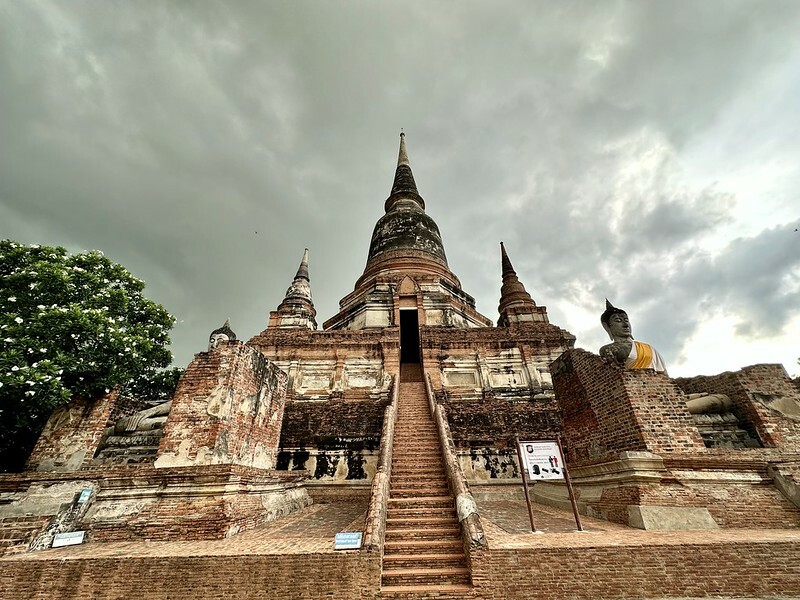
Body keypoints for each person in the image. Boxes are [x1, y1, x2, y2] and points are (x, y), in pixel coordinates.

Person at [599, 300, 667, 374]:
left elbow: (663, 373)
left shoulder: (648, 348)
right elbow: (615, 374)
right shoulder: (608, 349)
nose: (625, 325)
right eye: (618, 321)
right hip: (631, 384)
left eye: (626, 320)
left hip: (657, 383)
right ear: (607, 326)